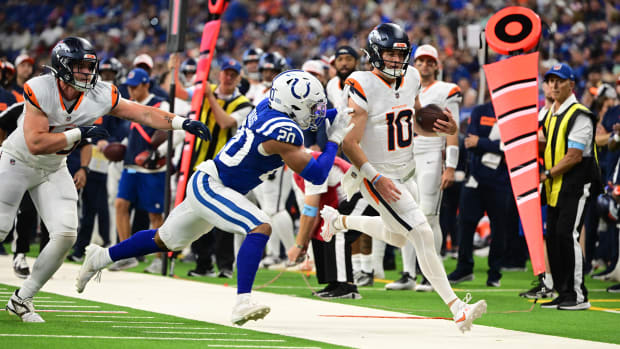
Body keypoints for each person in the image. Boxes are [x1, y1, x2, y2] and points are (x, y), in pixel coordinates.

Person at [76, 70, 353, 326]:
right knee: (260, 225)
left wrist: (333, 112)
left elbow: (304, 118)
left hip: (212, 182)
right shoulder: (283, 131)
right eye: (313, 107)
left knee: (164, 240)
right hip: (214, 185)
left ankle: (100, 257)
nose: (317, 112)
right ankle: (242, 302)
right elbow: (317, 174)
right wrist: (334, 139)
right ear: (291, 105)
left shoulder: (269, 107)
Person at [0, 36, 210, 323]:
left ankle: (23, 298)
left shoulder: (100, 93)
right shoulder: (40, 88)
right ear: (61, 67)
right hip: (18, 160)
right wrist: (79, 133)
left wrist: (180, 123)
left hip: (53, 166)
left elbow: (144, 112)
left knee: (65, 235)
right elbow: (36, 142)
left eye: (89, 67)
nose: (87, 73)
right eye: (79, 67)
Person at [319, 23, 486, 333]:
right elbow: (349, 143)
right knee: (421, 232)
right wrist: (375, 177)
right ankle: (458, 308)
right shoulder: (360, 83)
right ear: (373, 55)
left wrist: (439, 127)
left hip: (406, 169)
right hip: (377, 173)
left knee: (398, 236)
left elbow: (412, 120)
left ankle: (339, 222)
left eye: (400, 55)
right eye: (390, 55)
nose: (397, 62)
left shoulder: (410, 77)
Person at [385, 44, 462, 292]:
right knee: (406, 214)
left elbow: (453, 127)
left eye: (430, 61)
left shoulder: (446, 90)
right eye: (420, 61)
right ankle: (408, 273)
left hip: (431, 152)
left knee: (428, 215)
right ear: (413, 64)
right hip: (405, 154)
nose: (425, 65)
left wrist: (450, 166)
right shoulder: (404, 86)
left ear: (437, 65)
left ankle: (430, 274)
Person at [170, 56, 254, 277]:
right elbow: (178, 92)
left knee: (224, 215)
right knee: (198, 212)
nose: (228, 77)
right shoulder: (205, 90)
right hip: (198, 162)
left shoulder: (244, 104)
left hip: (226, 166)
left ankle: (225, 265)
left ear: (238, 78)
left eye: (233, 75)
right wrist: (174, 69)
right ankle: (203, 263)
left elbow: (225, 122)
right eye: (226, 72)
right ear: (220, 73)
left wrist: (208, 95)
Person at [538, 63, 599, 310]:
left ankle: (578, 294)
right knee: (553, 237)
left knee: (567, 234)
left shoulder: (579, 114)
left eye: (559, 81)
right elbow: (547, 144)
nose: (553, 85)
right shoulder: (552, 112)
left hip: (575, 183)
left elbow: (574, 155)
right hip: (556, 184)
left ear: (570, 85)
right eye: (550, 80)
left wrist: (546, 173)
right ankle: (563, 292)